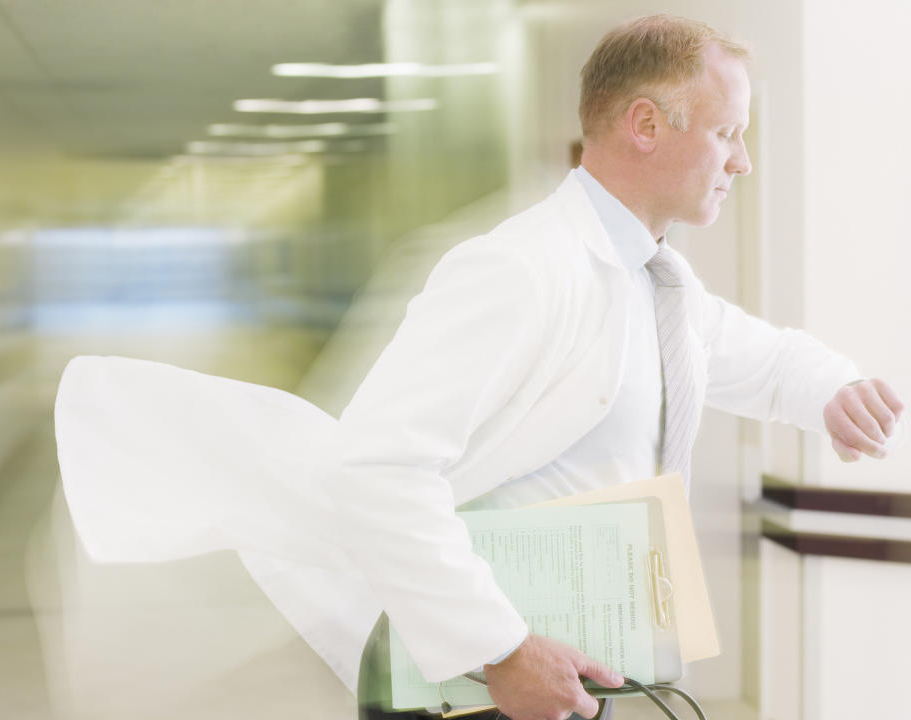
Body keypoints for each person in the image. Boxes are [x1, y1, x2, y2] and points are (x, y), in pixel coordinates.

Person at [326, 14, 905, 720]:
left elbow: (759, 356)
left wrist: (834, 390)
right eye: (727, 133)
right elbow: (375, 468)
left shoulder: (657, 285)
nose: (742, 161)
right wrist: (501, 647)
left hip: (562, 681)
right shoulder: (522, 270)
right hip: (469, 690)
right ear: (646, 124)